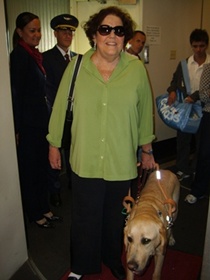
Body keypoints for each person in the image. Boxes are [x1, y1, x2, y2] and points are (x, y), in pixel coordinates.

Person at [47, 6, 156, 280]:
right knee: (84, 219)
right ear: (94, 34)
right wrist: (53, 144)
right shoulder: (77, 67)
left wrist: (146, 149)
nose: (112, 36)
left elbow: (144, 113)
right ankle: (81, 266)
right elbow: (60, 108)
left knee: (115, 218)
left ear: (125, 37)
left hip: (121, 162)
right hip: (85, 160)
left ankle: (112, 259)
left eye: (119, 31)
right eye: (105, 29)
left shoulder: (135, 70)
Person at [10, 12, 62, 228]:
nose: (37, 34)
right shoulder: (19, 56)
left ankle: (44, 208)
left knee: (41, 168)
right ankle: (35, 213)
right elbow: (16, 94)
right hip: (29, 125)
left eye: (39, 30)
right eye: (32, 30)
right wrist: (16, 128)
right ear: (20, 32)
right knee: (31, 171)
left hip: (41, 123)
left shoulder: (33, 55)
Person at [43, 14, 79, 207]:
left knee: (73, 151)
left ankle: (74, 184)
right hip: (56, 114)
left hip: (74, 115)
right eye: (63, 30)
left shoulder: (77, 59)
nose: (67, 34)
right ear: (55, 33)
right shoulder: (46, 58)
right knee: (55, 153)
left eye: (71, 31)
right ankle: (55, 190)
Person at [167, 29, 210, 181]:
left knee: (202, 143)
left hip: (205, 108)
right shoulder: (184, 64)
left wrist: (196, 96)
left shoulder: (209, 64)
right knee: (183, 140)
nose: (198, 49)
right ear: (191, 45)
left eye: (202, 46)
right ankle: (182, 168)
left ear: (206, 45)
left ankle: (198, 170)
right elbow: (174, 81)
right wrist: (172, 91)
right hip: (186, 108)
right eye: (195, 46)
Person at [184, 63, 210, 203]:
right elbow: (204, 95)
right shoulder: (208, 68)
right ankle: (198, 191)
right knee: (205, 154)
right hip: (209, 114)